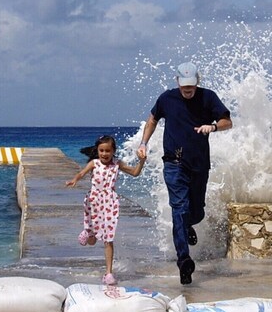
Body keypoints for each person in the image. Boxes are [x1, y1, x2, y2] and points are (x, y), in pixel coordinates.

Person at [138, 62, 233, 284]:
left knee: (196, 212)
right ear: (177, 81)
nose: (187, 90)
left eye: (191, 86)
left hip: (199, 164)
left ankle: (190, 224)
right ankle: (184, 261)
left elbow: (228, 121)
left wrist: (214, 127)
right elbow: (152, 119)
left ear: (197, 81)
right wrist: (144, 143)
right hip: (174, 163)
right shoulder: (167, 99)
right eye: (184, 86)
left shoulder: (208, 98)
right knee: (179, 209)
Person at [66, 134, 147, 285]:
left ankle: (109, 273)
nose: (104, 154)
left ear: (113, 151)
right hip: (93, 201)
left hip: (110, 203)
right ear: (97, 151)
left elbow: (135, 173)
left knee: (108, 238)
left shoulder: (117, 164)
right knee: (91, 241)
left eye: (107, 151)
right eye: (101, 150)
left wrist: (142, 161)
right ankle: (88, 231)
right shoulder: (94, 163)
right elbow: (81, 173)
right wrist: (74, 179)